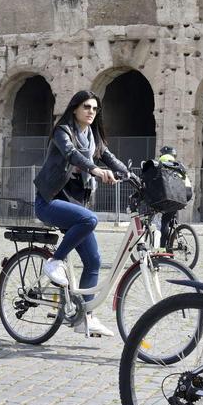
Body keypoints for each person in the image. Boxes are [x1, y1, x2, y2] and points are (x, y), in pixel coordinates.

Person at [32, 90, 130, 337]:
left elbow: (110, 157)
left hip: (75, 204)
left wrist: (131, 175)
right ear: (74, 108)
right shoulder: (62, 131)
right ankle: (54, 261)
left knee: (94, 261)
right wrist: (95, 170)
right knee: (90, 219)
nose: (91, 112)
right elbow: (71, 154)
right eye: (86, 107)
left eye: (95, 109)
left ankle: (83, 318)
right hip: (50, 201)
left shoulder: (93, 136)